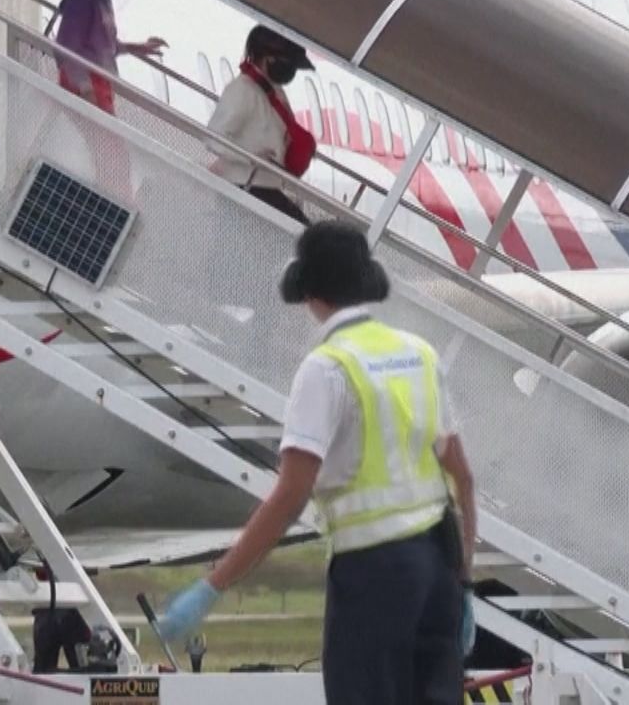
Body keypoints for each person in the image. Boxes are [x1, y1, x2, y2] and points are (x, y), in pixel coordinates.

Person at [154, 221, 477, 704]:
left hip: (374, 574)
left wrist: (213, 584)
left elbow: (290, 497)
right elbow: (463, 478)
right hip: (438, 566)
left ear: (305, 288)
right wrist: (464, 581)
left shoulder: (327, 368)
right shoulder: (420, 355)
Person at [206, 25, 318, 223]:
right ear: (269, 58)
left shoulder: (274, 91)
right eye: (288, 63)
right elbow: (214, 138)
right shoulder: (242, 90)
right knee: (304, 232)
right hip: (243, 186)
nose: (291, 70)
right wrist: (251, 158)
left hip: (266, 186)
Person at [50, 0, 165, 113]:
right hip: (85, 84)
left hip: (98, 82)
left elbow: (104, 45)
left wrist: (138, 47)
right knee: (106, 131)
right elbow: (66, 47)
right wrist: (84, 87)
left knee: (108, 131)